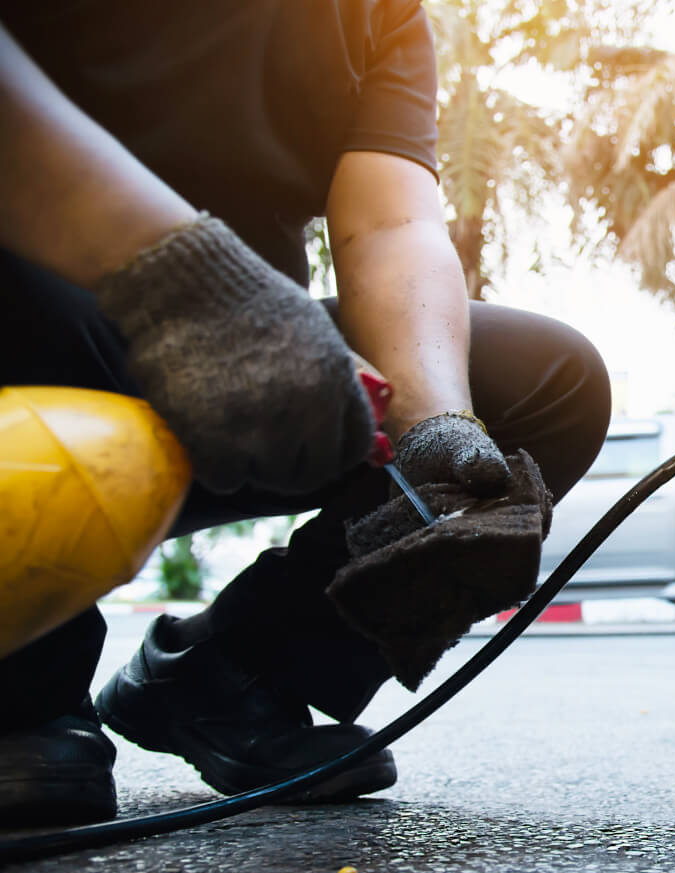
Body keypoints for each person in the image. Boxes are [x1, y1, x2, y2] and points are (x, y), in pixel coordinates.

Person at [0, 1, 612, 825]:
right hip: (37, 337)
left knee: (549, 384)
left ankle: (237, 673)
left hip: (243, 371)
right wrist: (183, 283)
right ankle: (24, 692)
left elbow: (391, 221)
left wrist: (438, 429)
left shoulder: (376, 15)